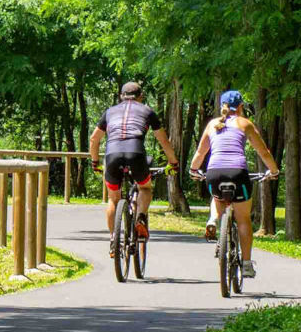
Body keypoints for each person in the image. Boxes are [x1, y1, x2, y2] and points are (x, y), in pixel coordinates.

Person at [188, 90, 279, 276]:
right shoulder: (245, 123)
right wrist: (274, 170)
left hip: (214, 173)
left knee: (217, 196)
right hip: (238, 173)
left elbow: (200, 152)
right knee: (243, 219)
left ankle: (213, 219)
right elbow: (264, 152)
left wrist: (193, 170)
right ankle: (246, 264)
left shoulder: (212, 124)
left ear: (221, 106)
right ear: (240, 107)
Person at [89, 82, 180, 257]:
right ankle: (140, 217)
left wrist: (95, 162)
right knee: (145, 187)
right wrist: (173, 162)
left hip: (112, 155)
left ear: (121, 96)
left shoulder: (109, 112)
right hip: (136, 153)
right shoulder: (147, 111)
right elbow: (163, 140)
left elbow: (94, 139)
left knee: (113, 199)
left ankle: (113, 239)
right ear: (141, 96)